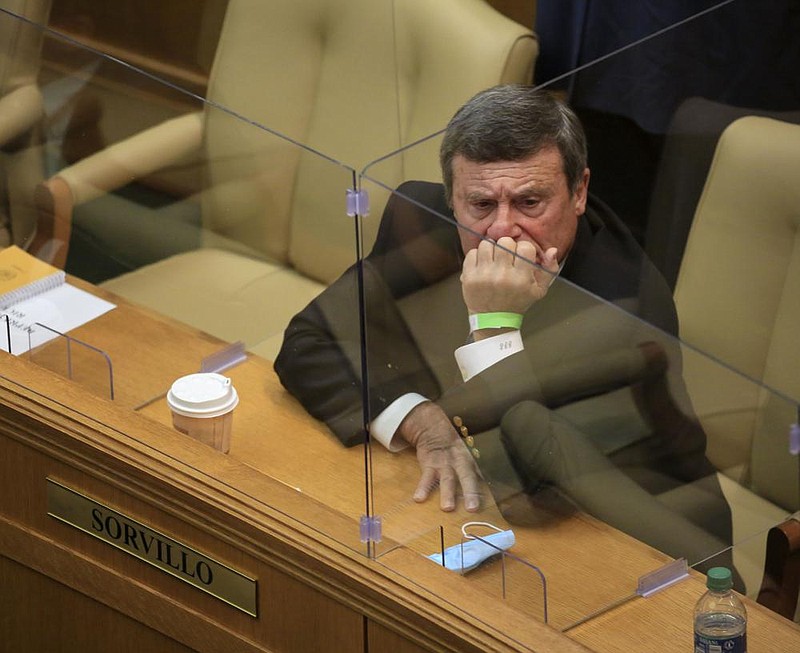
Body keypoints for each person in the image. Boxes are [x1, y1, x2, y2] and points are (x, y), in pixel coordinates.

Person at [274, 85, 735, 571]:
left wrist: (492, 324)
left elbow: (527, 489)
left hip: (648, 540)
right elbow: (309, 342)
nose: (502, 230)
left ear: (579, 192)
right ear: (451, 199)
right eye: (480, 205)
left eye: (530, 202)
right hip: (463, 509)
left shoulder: (624, 302)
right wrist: (418, 418)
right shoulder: (422, 221)